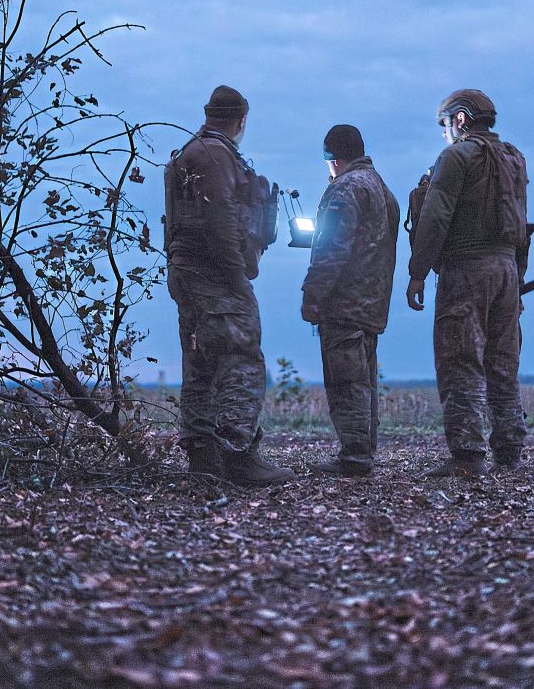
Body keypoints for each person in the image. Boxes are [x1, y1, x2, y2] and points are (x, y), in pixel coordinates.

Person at [163, 85, 294, 486]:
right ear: (241, 121)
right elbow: (220, 220)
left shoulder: (187, 154)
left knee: (200, 364)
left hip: (187, 273)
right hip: (216, 275)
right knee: (241, 359)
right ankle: (238, 457)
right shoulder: (216, 156)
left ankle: (203, 458)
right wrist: (239, 274)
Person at [405, 89, 530, 477]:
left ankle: (467, 455)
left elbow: (435, 219)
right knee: (503, 362)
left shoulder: (456, 157)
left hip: (467, 269)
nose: (444, 133)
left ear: (459, 119)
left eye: (445, 125)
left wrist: (417, 272)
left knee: (460, 358)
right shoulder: (514, 159)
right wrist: (518, 280)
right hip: (508, 270)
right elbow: (522, 226)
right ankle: (509, 451)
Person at [300, 125, 400, 477]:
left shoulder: (344, 188)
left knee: (346, 380)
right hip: (373, 302)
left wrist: (313, 294)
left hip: (344, 302)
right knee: (365, 379)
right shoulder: (383, 190)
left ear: (333, 159)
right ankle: (363, 449)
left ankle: (355, 456)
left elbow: (331, 249)